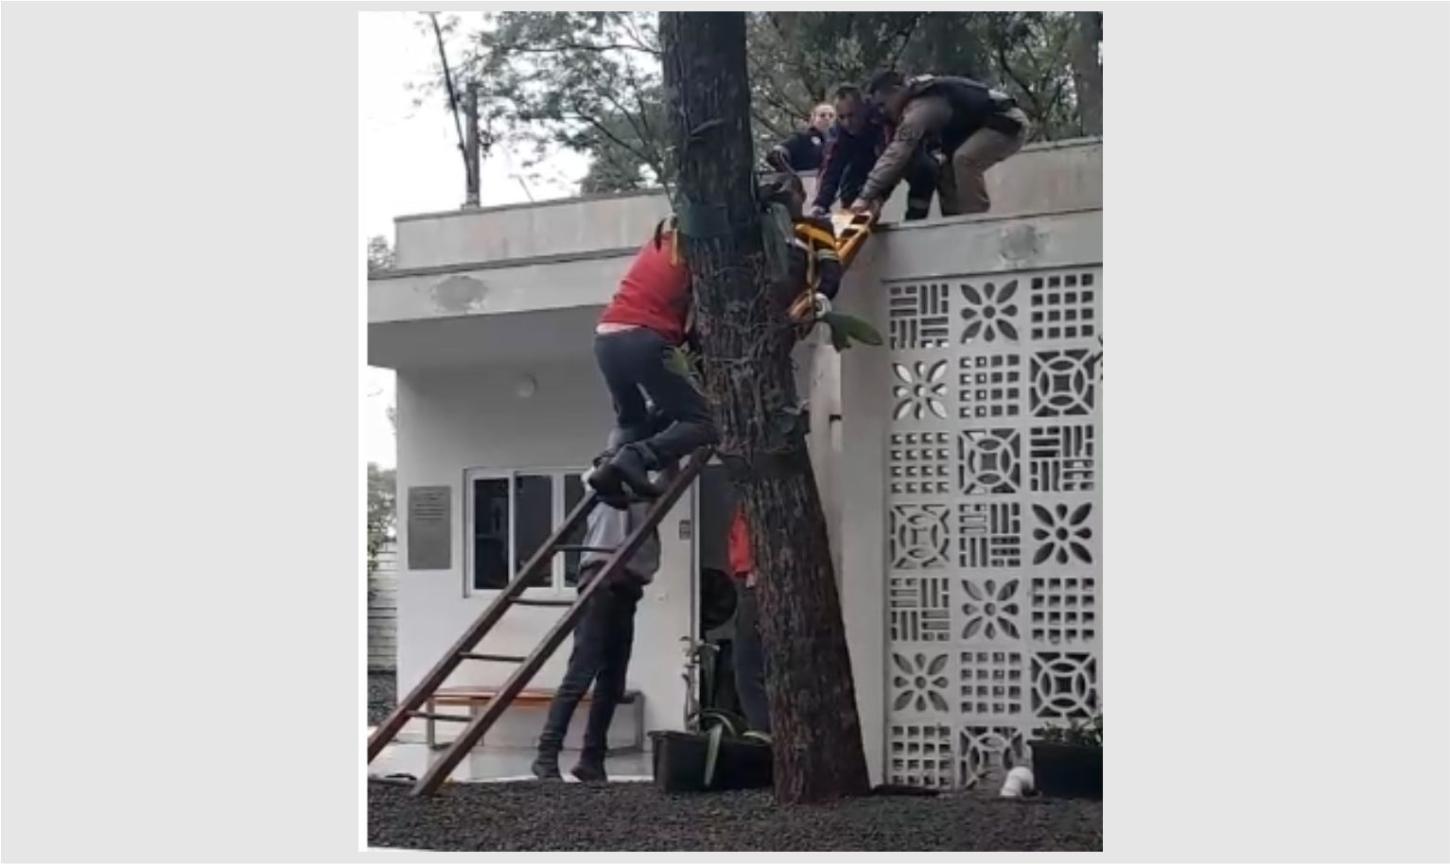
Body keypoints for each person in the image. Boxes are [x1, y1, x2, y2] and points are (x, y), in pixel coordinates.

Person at [532, 494, 661, 782]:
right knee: (582, 672)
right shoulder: (615, 489)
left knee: (612, 681)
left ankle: (592, 757)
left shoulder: (639, 493)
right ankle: (547, 754)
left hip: (624, 588)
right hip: (603, 584)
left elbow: (663, 484)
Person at [588, 222, 719, 503]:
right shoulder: (704, 254)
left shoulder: (661, 242)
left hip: (605, 338)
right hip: (643, 337)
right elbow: (696, 328)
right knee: (704, 421)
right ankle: (637, 457)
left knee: (632, 418)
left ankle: (607, 469)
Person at [852, 70, 1031, 219]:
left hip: (1007, 122)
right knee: (945, 169)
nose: (884, 111)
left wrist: (864, 196)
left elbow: (897, 153)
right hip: (981, 127)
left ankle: (977, 222)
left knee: (965, 159)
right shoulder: (916, 104)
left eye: (883, 104)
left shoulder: (921, 108)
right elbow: (901, 164)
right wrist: (877, 197)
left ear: (897, 91)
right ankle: (953, 223)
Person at [812, 84, 939, 221]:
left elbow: (891, 163)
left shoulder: (882, 117)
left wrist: (876, 198)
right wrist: (820, 204)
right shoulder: (839, 132)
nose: (848, 123)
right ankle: (854, 223)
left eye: (852, 115)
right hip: (862, 162)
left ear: (863, 108)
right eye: (842, 117)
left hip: (899, 155)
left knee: (924, 168)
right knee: (850, 187)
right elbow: (831, 169)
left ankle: (916, 218)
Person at [726, 505, 769, 734]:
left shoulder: (756, 503)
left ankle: (763, 737)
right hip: (750, 586)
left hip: (754, 587)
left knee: (748, 672)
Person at [765, 102, 835, 173]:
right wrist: (793, 176)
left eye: (831, 116)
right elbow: (775, 155)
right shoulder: (802, 138)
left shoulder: (839, 142)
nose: (827, 118)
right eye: (822, 115)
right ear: (813, 118)